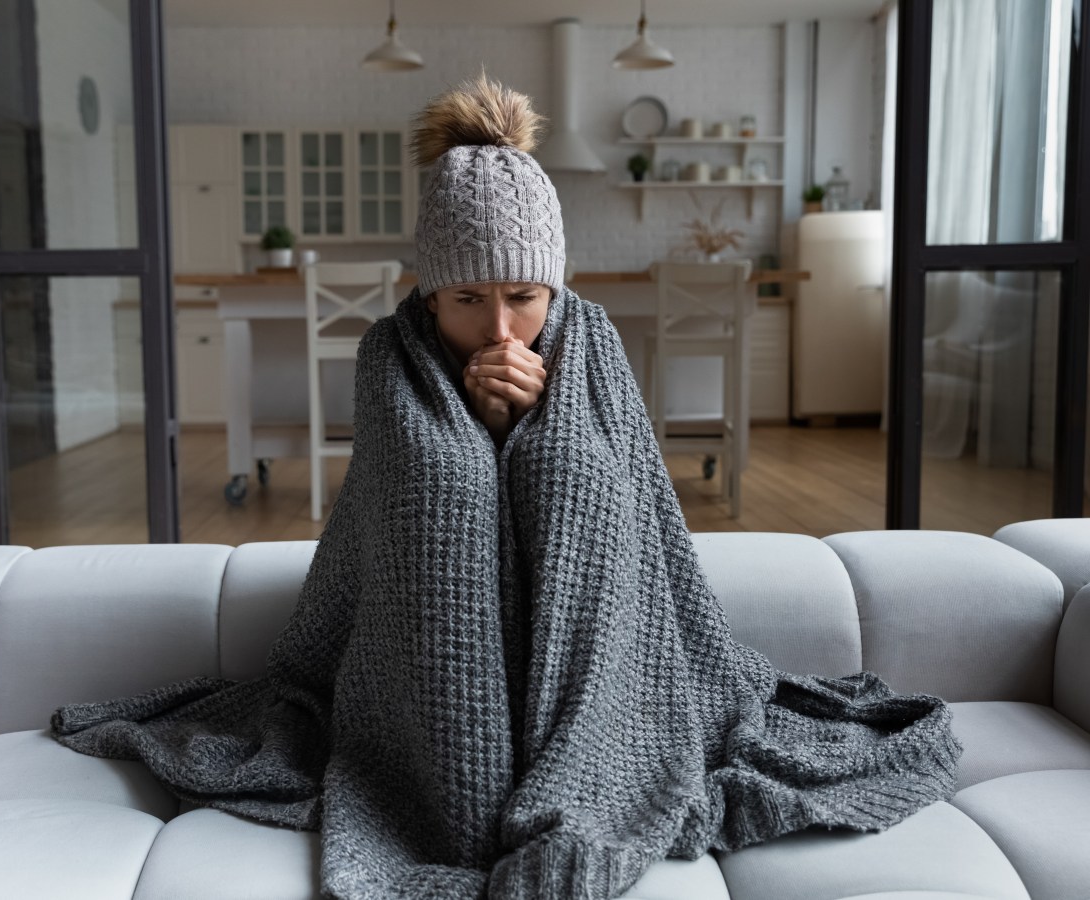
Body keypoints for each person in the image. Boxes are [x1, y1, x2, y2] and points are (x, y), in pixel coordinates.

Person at [52, 74, 960, 900]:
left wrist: (530, 434)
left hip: (603, 649)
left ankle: (575, 752)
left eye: (524, 296)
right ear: (428, 295)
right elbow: (407, 509)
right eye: (466, 301)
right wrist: (478, 431)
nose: (500, 327)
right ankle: (459, 772)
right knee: (445, 483)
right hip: (415, 671)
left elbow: (626, 508)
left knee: (571, 474)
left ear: (553, 285)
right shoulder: (390, 356)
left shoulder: (589, 340)